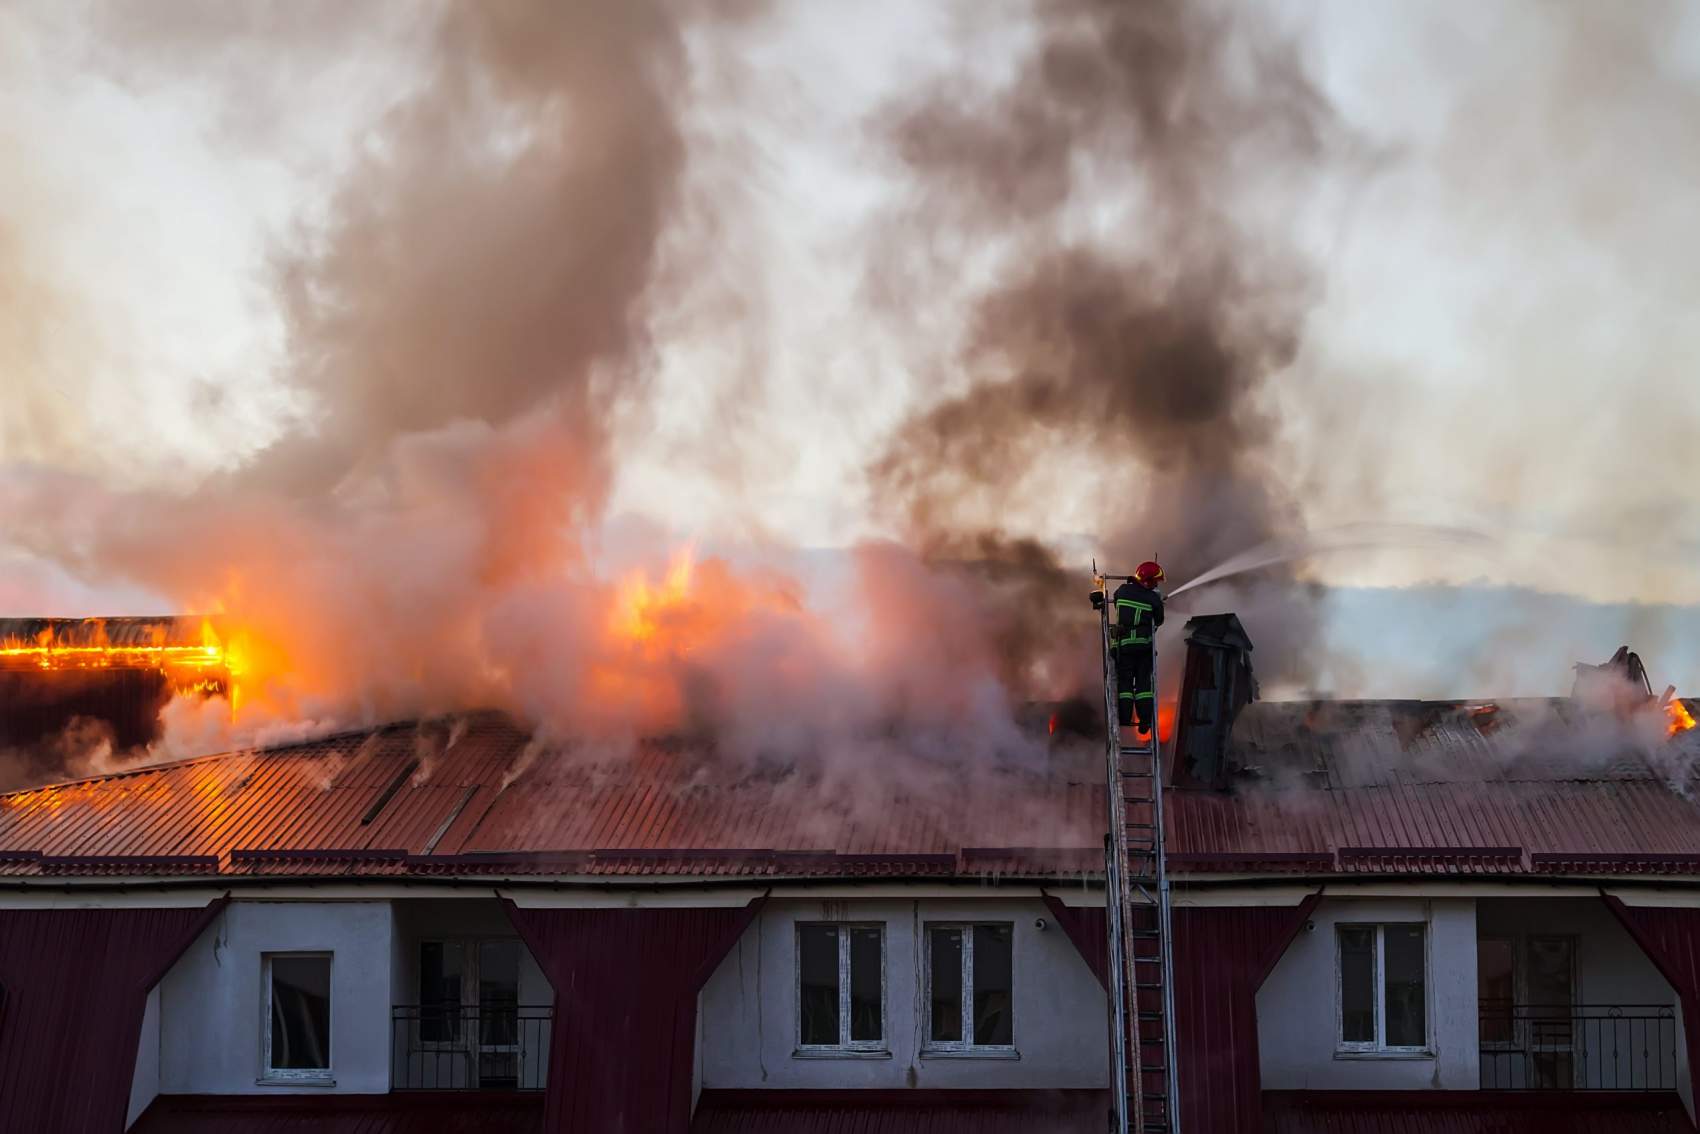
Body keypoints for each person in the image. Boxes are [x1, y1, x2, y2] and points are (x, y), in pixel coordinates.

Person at [1109, 561, 1165, 736]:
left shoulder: (1122, 591)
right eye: (1155, 581)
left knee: (1125, 683)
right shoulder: (1153, 598)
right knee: (1143, 685)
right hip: (1143, 648)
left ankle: (1125, 718)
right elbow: (1160, 619)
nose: (1156, 584)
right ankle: (1145, 721)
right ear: (1147, 581)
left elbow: (1116, 599)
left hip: (1124, 647)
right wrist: (1157, 598)